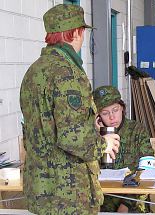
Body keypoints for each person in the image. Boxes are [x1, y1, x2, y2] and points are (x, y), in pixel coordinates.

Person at [20, 4, 120, 215]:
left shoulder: (33, 72)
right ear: (76, 32)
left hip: (40, 187)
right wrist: (104, 144)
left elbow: (43, 126)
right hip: (68, 194)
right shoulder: (69, 74)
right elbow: (70, 137)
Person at [93, 85, 155, 213]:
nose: (112, 117)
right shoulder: (92, 137)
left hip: (133, 200)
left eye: (115, 110)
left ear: (122, 108)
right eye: (105, 113)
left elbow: (147, 171)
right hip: (100, 201)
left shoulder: (137, 130)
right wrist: (98, 134)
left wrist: (126, 204)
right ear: (97, 116)